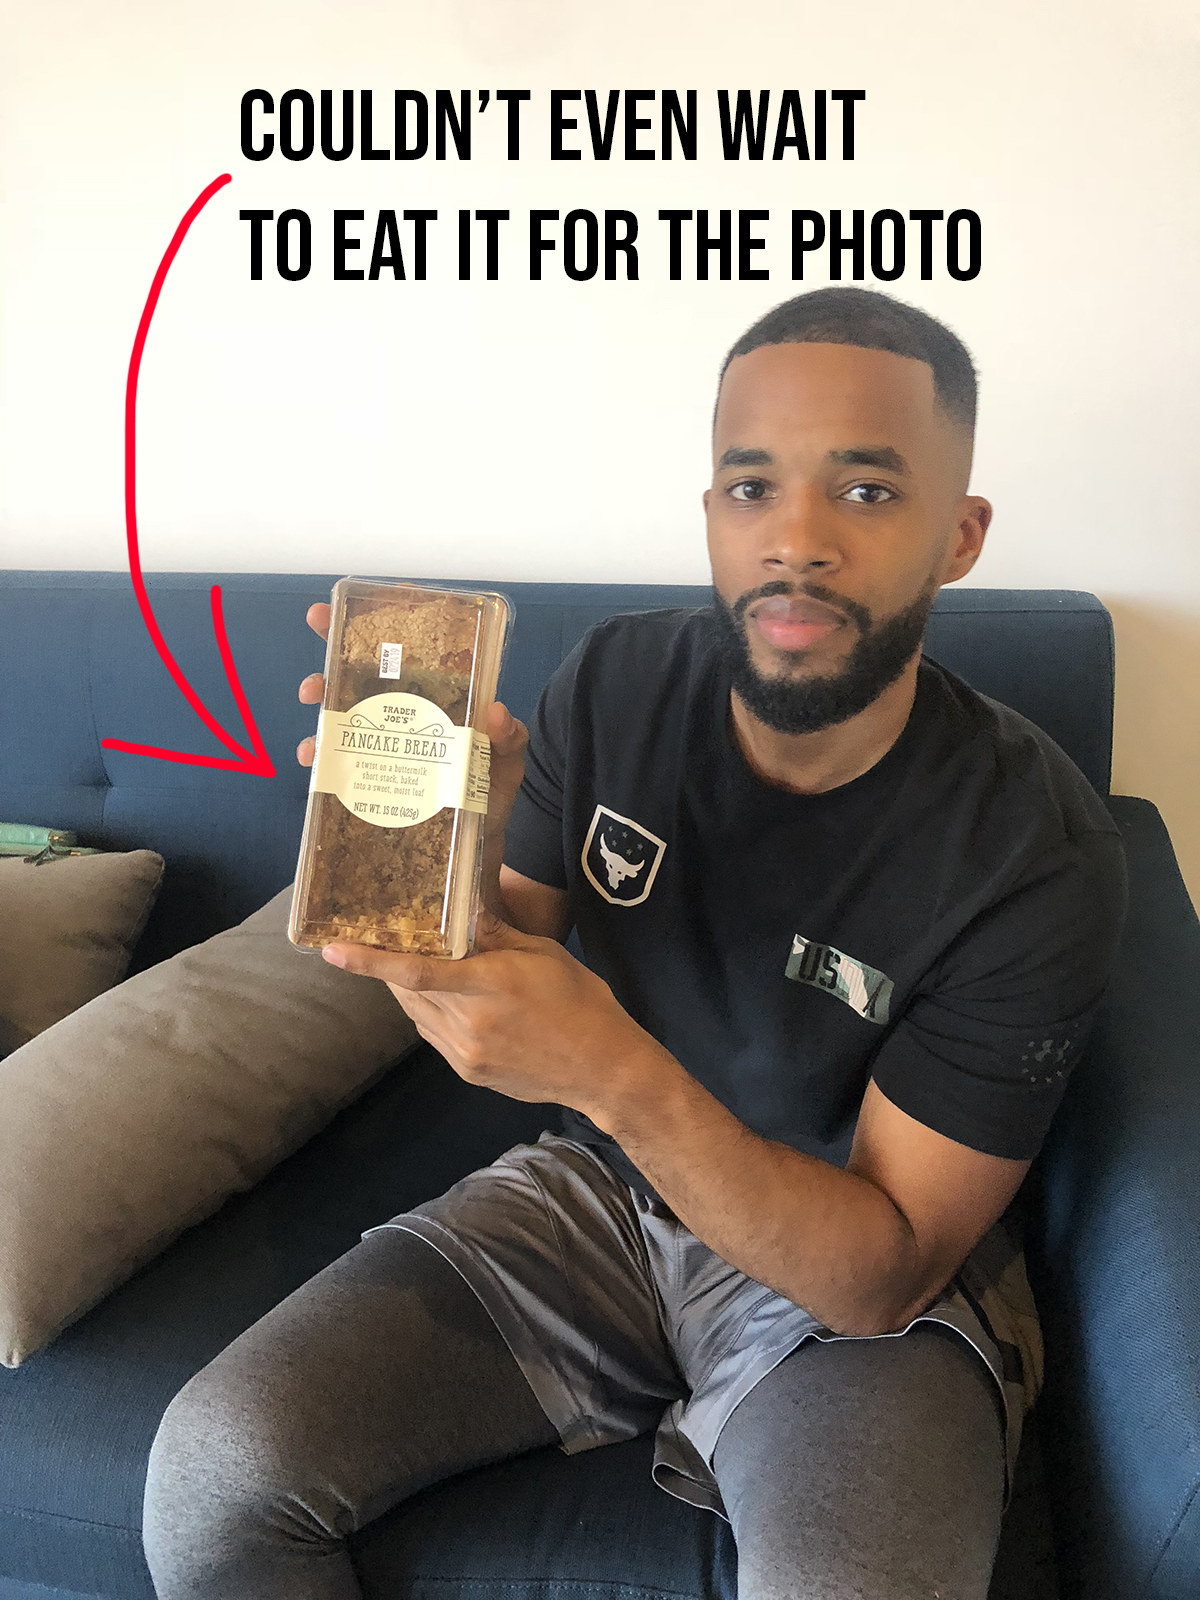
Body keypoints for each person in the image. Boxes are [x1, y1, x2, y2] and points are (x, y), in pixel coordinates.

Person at [142, 287, 1127, 1600]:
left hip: (853, 1290)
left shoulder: (1031, 843)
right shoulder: (616, 681)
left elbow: (881, 1274)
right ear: (710, 513)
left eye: (868, 493)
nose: (798, 541)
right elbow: (511, 944)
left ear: (960, 536)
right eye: (750, 486)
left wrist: (611, 1070)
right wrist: (437, 858)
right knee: (215, 1472)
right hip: (603, 1206)